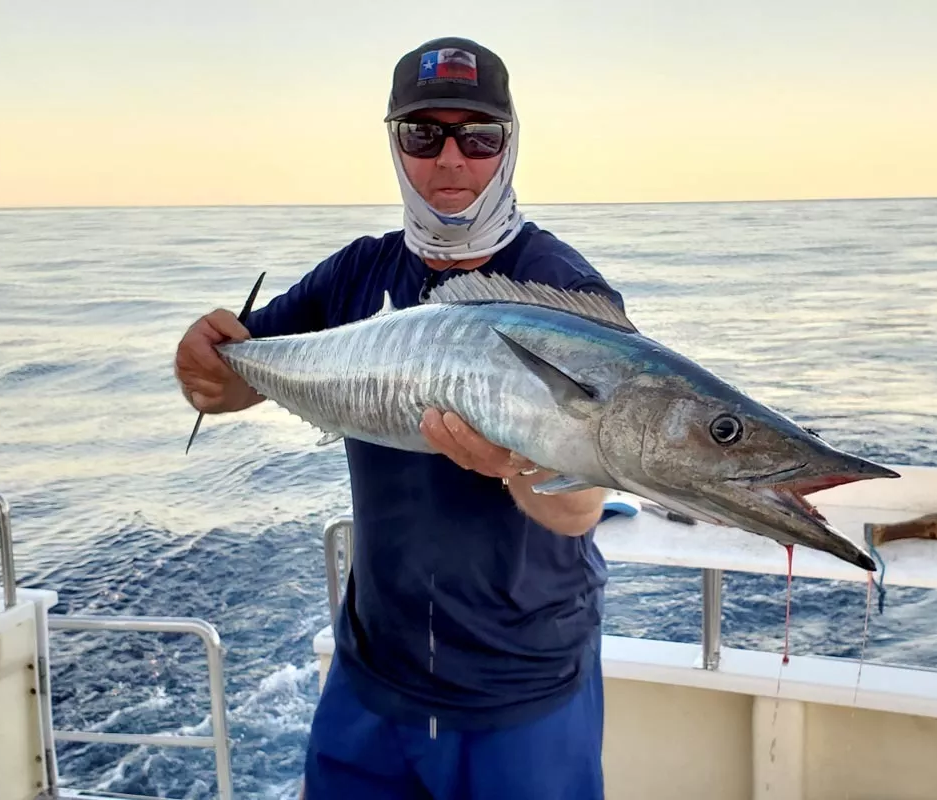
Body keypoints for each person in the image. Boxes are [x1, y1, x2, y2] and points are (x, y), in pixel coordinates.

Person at [173, 36, 623, 799]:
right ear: (395, 143)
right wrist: (207, 371)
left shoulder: (566, 291)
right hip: (372, 676)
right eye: (424, 134)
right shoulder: (358, 271)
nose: (451, 161)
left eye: (477, 137)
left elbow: (581, 507)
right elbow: (243, 377)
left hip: (521, 690)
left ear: (508, 146)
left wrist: (514, 463)